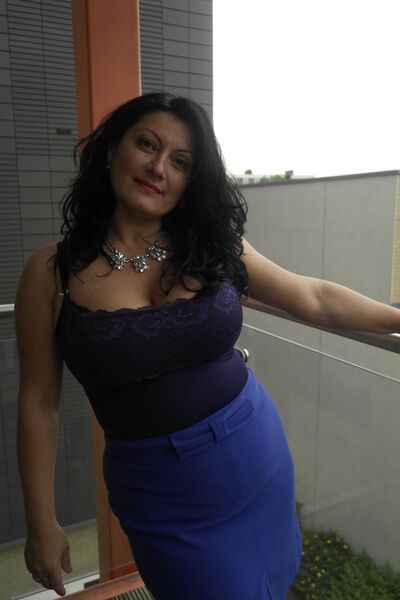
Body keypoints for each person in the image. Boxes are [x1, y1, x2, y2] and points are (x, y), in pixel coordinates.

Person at [15, 93, 400, 600]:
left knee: (277, 578)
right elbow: (39, 403)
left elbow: (315, 298)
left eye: (180, 162)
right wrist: (41, 521)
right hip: (160, 493)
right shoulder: (51, 273)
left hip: (255, 449)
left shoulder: (214, 246)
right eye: (146, 144)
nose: (158, 168)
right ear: (111, 150)